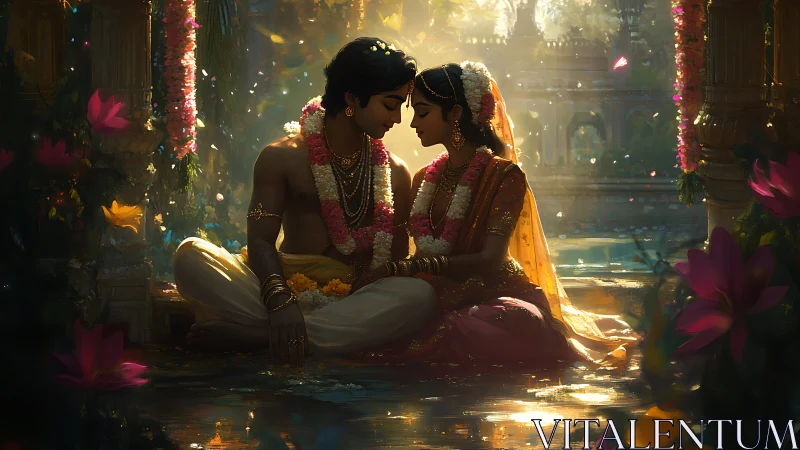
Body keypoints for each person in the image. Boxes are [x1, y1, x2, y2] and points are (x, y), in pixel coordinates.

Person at [350, 62, 637, 367]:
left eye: (422, 113)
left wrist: (414, 267)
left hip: (496, 294)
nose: (412, 124)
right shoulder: (423, 179)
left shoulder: (504, 176)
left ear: (455, 114)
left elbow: (490, 259)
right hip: (438, 293)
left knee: (510, 321)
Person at [172, 38, 437, 365]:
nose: (397, 118)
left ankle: (262, 337)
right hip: (280, 291)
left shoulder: (395, 172)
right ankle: (307, 333)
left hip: (352, 299)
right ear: (352, 98)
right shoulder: (281, 157)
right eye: (390, 105)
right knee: (190, 255)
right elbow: (261, 241)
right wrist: (279, 299)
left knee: (419, 296)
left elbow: (392, 264)